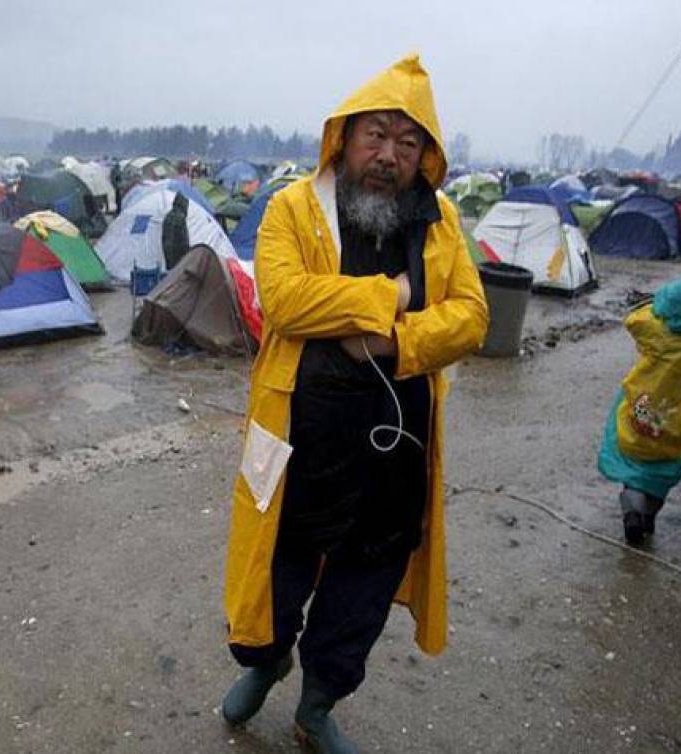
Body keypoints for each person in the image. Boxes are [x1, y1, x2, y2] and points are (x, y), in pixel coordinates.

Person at [220, 55, 488, 752]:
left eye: (408, 143)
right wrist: (390, 296)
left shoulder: (440, 222)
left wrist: (393, 347)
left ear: (425, 155)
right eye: (376, 135)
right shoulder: (293, 208)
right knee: (275, 567)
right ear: (343, 136)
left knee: (364, 586)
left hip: (396, 447)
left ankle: (317, 703)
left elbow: (470, 318)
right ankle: (267, 658)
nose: (388, 156)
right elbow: (282, 298)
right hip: (298, 436)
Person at [598, 274, 681, 545]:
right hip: (677, 419)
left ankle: (632, 503)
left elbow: (633, 319)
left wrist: (661, 306)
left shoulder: (657, 330)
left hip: (642, 406)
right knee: (664, 468)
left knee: (634, 452)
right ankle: (648, 512)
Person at [161, 191, 190, 270]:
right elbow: (184, 239)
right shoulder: (181, 218)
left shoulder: (168, 216)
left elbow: (163, 237)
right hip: (178, 254)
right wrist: (188, 253)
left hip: (167, 252)